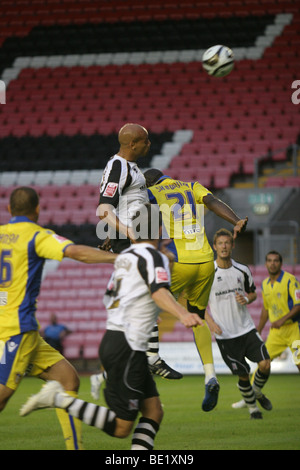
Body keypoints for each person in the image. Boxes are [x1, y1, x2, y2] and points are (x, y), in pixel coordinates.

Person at [20, 203, 204, 451]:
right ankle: (58, 398)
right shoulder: (153, 257)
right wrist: (182, 313)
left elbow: (115, 298)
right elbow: (159, 292)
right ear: (157, 229)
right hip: (127, 347)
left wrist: (145, 313)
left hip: (117, 340)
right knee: (121, 427)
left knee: (153, 411)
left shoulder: (125, 258)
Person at [0, 186, 117, 450]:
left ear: (9, 210)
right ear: (38, 210)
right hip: (15, 328)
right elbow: (74, 252)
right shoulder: (37, 235)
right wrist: (120, 258)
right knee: (2, 397)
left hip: (21, 330)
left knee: (67, 379)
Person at [142, 168, 248, 412]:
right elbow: (212, 201)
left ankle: (151, 359)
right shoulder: (191, 186)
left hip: (180, 262)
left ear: (148, 181)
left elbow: (135, 214)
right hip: (205, 262)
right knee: (198, 316)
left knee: (146, 302)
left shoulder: (151, 191)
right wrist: (237, 221)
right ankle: (210, 375)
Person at [95, 122, 181, 380]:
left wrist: (112, 233)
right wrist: (128, 232)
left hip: (138, 236)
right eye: (145, 140)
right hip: (134, 239)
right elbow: (103, 209)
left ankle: (132, 361)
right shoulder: (118, 166)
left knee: (145, 293)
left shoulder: (130, 168)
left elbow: (121, 204)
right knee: (150, 291)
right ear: (132, 144)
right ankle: (147, 357)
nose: (149, 144)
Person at [205, 228, 272, 419]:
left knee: (265, 364)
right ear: (215, 247)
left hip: (246, 328)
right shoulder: (208, 272)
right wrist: (210, 323)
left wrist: (247, 299)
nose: (224, 246)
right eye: (220, 243)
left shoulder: (242, 270)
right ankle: (253, 409)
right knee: (244, 374)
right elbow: (198, 304)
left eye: (227, 243)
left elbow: (252, 293)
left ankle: (256, 392)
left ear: (232, 246)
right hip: (225, 335)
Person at [232, 250, 300, 409]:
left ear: (281, 264)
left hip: (293, 330)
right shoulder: (264, 284)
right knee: (263, 363)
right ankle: (250, 395)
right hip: (276, 334)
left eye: (276, 260)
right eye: (269, 260)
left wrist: (282, 319)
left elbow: (298, 305)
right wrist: (259, 329)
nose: (272, 263)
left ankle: (252, 394)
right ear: (266, 264)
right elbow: (266, 309)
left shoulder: (290, 280)